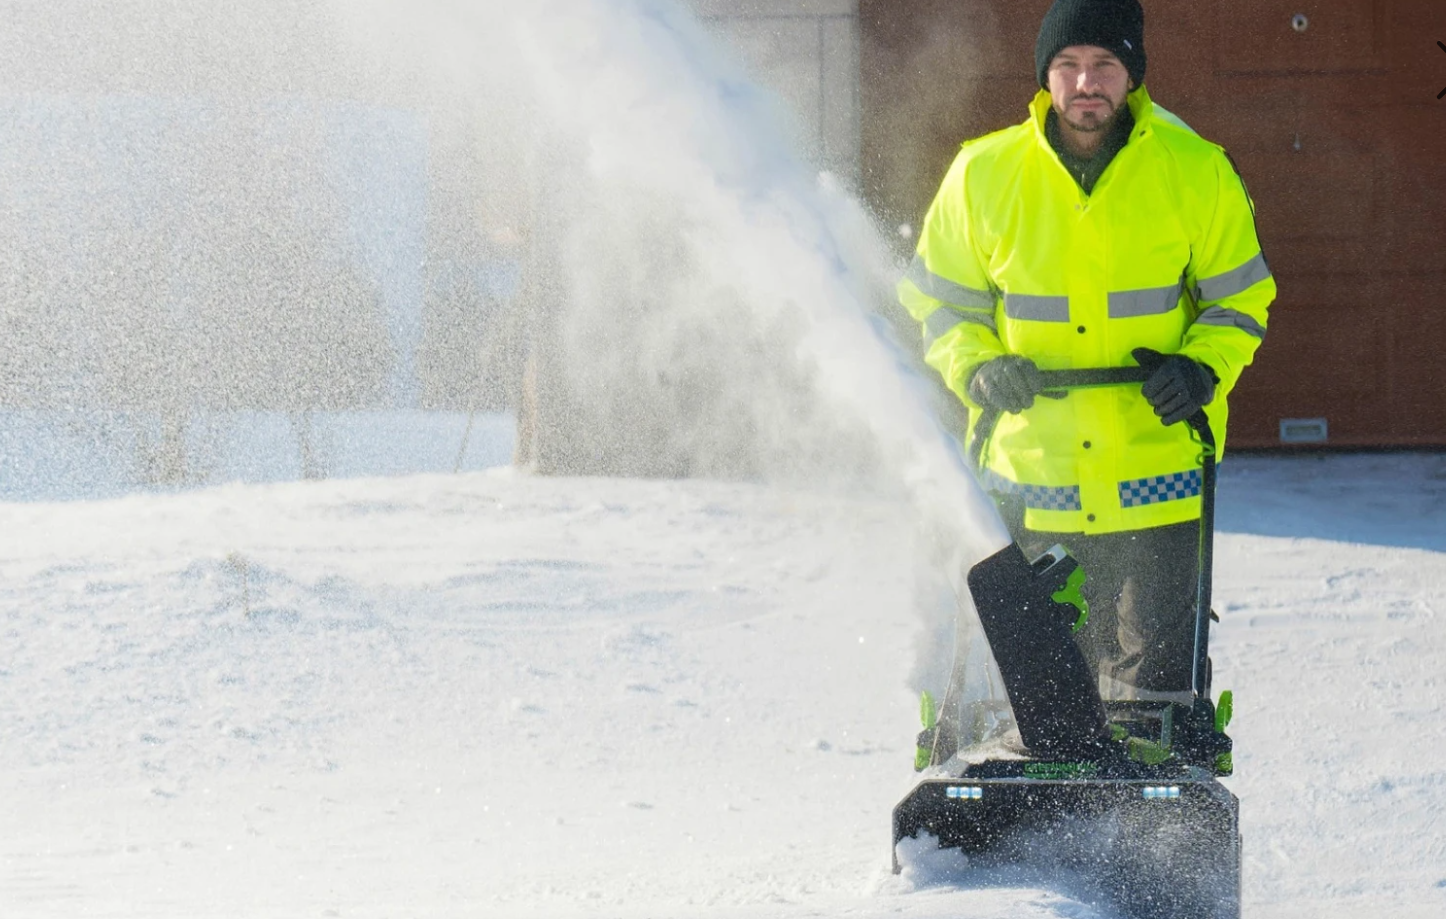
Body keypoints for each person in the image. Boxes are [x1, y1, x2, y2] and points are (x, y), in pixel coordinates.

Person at [900, 0, 1275, 710]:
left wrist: (1201, 367)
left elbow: (1239, 300)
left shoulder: (1196, 170)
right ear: (1045, 76)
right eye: (1068, 65)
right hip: (1031, 482)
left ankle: (1155, 778)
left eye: (1105, 63)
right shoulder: (983, 174)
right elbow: (941, 304)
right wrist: (979, 366)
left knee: (1153, 699)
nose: (1085, 82)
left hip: (1158, 478)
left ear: (1133, 74)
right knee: (1042, 700)